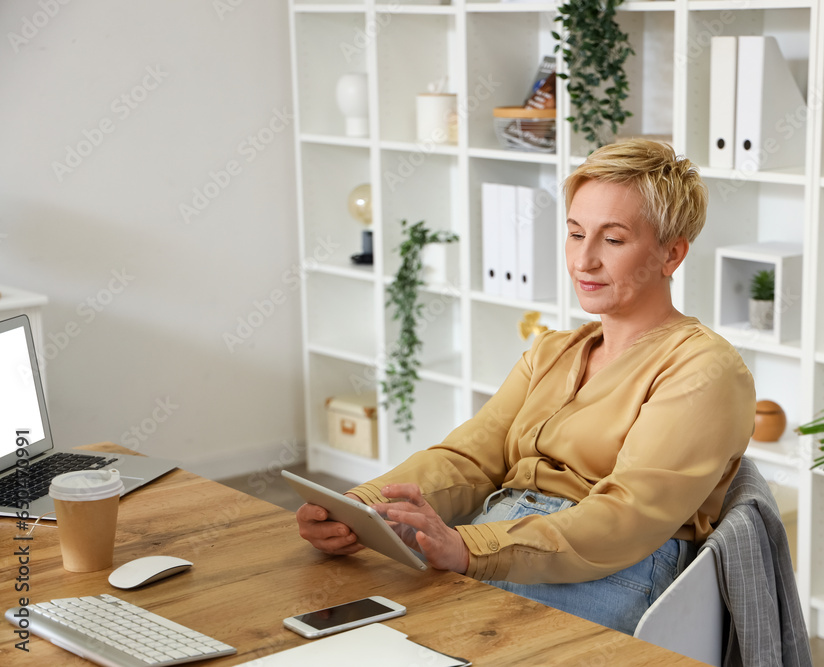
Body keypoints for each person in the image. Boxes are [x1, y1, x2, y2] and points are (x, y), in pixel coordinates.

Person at [296, 139, 756, 635]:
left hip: (618, 570)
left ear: (672, 253)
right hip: (507, 531)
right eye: (576, 234)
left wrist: (471, 548)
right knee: (338, 607)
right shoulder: (550, 351)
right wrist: (365, 509)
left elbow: (628, 519)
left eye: (613, 240)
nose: (584, 261)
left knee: (405, 630)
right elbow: (469, 458)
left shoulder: (704, 368)